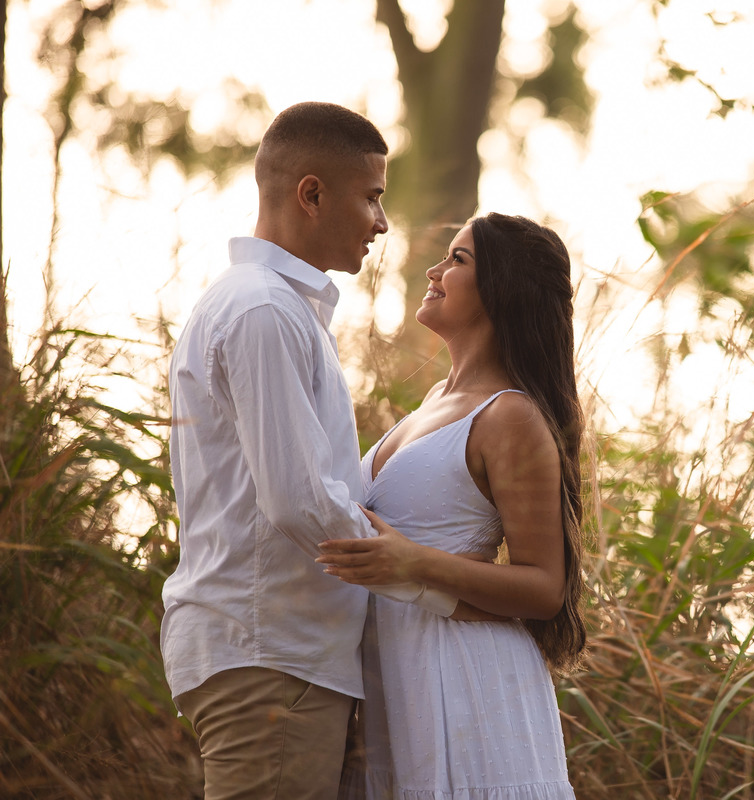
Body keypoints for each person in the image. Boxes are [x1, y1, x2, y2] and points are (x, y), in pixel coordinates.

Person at [162, 101, 459, 800]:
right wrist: (424, 581)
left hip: (280, 654)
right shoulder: (263, 310)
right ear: (312, 193)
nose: (382, 223)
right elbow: (300, 501)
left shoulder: (273, 308)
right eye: (372, 197)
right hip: (273, 655)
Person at [316, 213, 588, 799]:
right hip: (398, 675)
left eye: (458, 260)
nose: (435, 272)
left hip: (467, 678)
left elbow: (545, 587)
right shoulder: (436, 401)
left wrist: (414, 564)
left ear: (502, 290)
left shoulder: (509, 415)